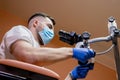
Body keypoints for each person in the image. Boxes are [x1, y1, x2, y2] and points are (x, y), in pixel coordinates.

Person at [0, 12, 95, 79]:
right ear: (36, 23)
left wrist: (72, 76)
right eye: (49, 27)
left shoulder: (39, 63)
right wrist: (72, 52)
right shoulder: (20, 30)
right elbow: (27, 55)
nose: (51, 33)